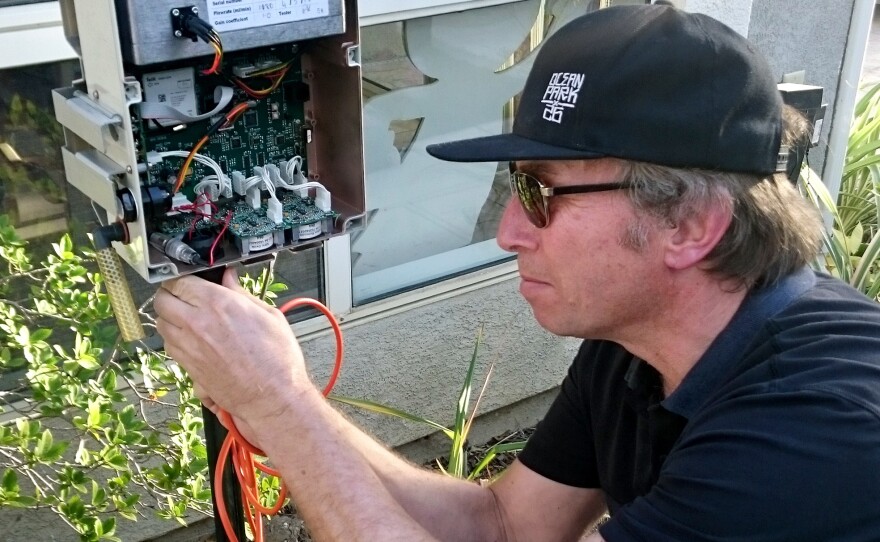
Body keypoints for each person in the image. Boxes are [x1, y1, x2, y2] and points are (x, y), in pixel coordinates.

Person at [155, 4, 880, 541]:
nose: (506, 232)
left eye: (540, 192)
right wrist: (281, 402)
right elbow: (505, 524)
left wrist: (280, 406)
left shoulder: (816, 435)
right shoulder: (638, 341)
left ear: (690, 227)